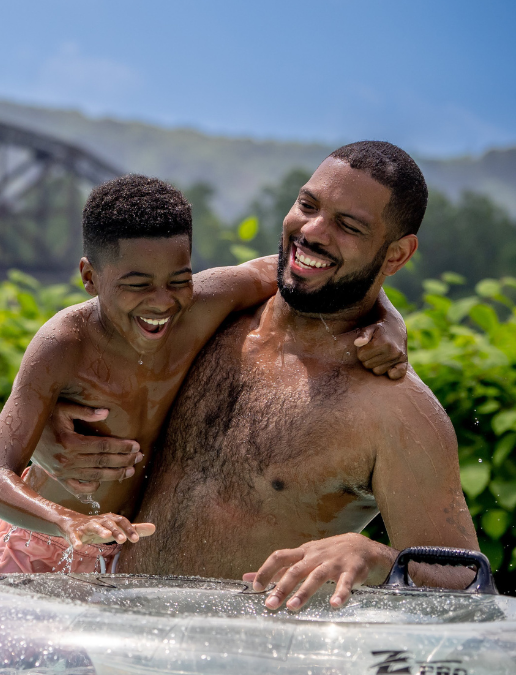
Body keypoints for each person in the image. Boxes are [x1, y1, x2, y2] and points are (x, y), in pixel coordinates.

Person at [35, 141, 479, 609]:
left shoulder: (395, 410)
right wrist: (48, 434)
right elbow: (83, 342)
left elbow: (468, 586)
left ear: (396, 256)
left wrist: (377, 556)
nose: (312, 231)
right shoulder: (203, 317)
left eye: (349, 226)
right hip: (114, 634)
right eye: (307, 205)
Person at [0, 174, 409, 574]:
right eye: (138, 284)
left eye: (178, 280)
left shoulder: (206, 303)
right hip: (39, 540)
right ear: (90, 277)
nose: (162, 302)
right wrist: (70, 522)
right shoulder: (64, 345)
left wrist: (390, 320)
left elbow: (309, 268)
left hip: (121, 556)